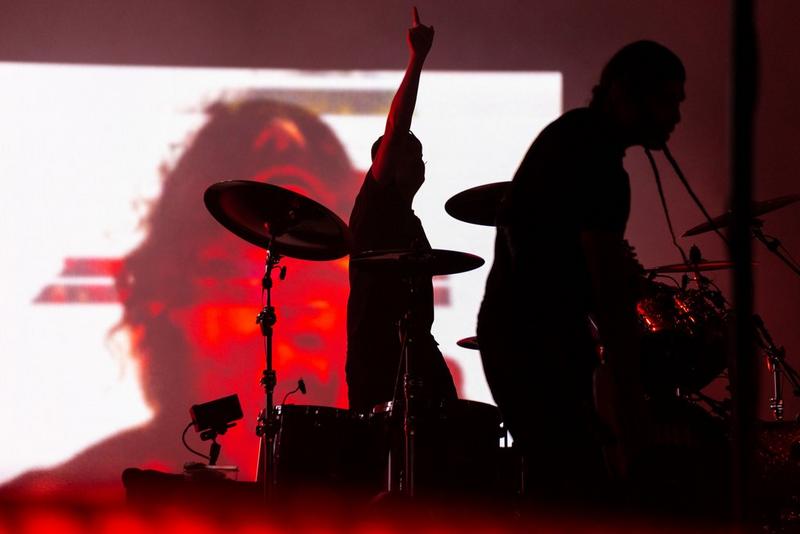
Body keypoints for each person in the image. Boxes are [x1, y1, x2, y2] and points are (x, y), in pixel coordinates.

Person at [3, 97, 362, 494]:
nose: (302, 307)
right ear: (168, 290)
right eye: (230, 272)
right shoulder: (62, 498)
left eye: (321, 281)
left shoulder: (362, 487)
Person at [476, 41, 686, 504]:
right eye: (668, 100)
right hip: (534, 344)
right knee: (577, 487)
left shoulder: (571, 135)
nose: (675, 116)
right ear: (629, 93)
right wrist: (635, 423)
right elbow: (608, 297)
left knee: (564, 481)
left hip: (520, 337)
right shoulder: (600, 164)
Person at [346, 7, 457, 413]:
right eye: (414, 155)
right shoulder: (375, 207)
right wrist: (418, 59)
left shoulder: (411, 222)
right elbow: (397, 125)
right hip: (379, 360)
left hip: (418, 351)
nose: (422, 163)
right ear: (390, 167)